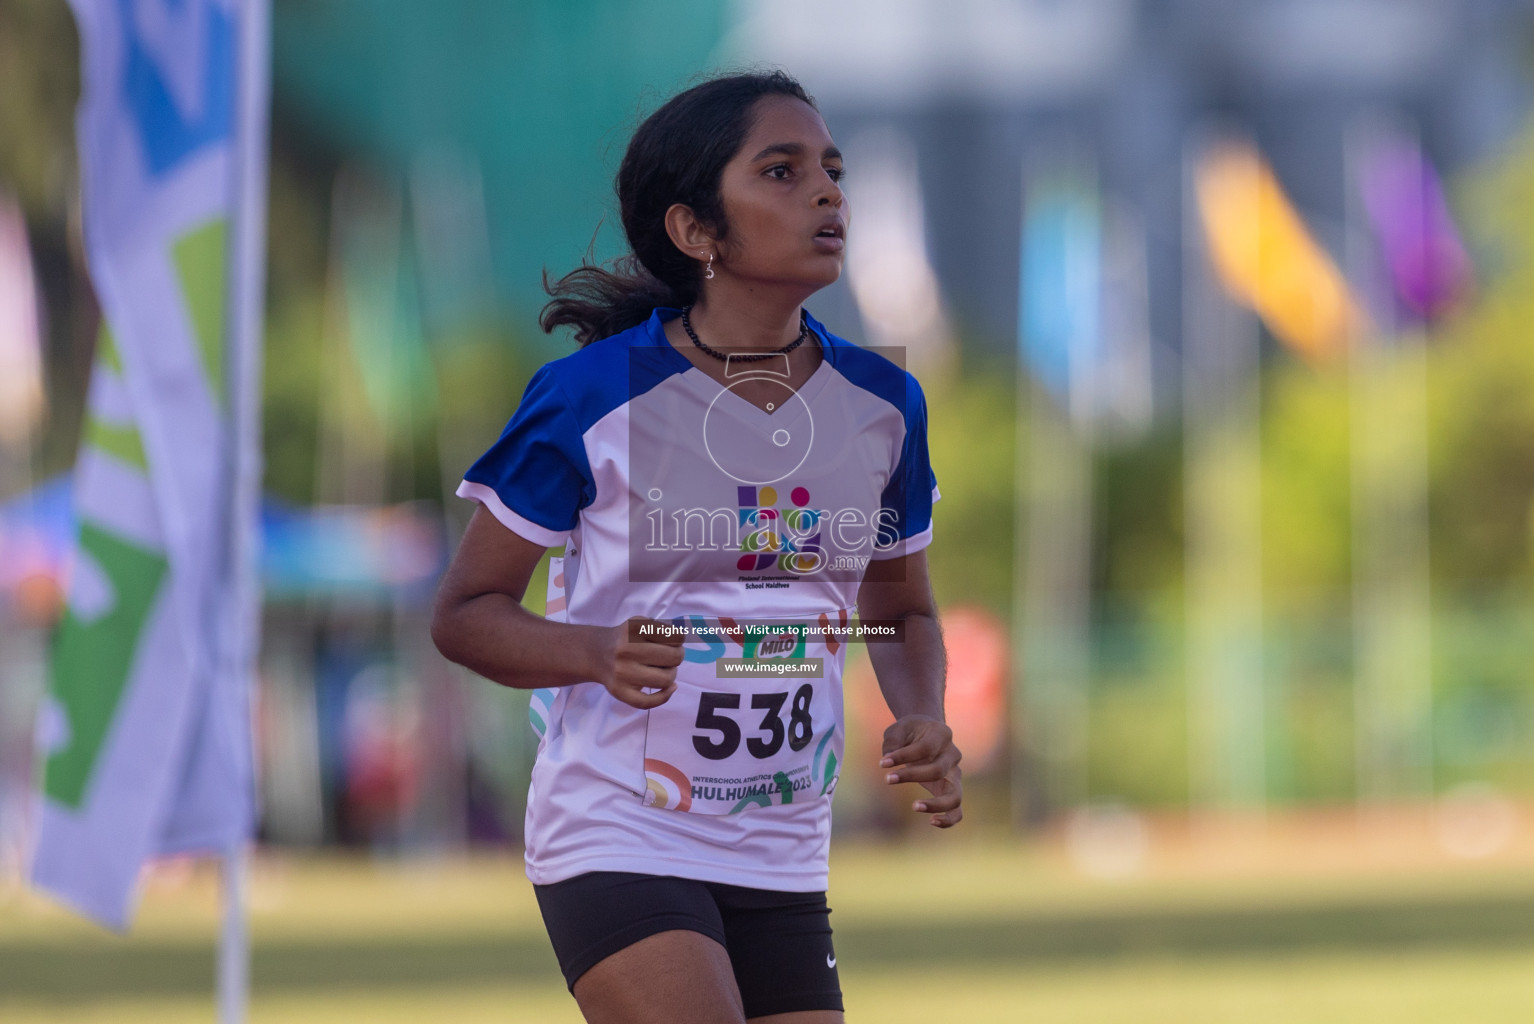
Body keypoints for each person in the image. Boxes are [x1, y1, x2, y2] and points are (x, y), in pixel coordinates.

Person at [431, 69, 962, 1024]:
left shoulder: (885, 404)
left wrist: (921, 711)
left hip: (782, 846)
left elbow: (900, 611)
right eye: (783, 171)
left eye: (831, 170)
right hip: (619, 829)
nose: (828, 192)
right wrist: (591, 653)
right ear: (696, 230)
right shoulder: (594, 397)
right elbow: (465, 615)